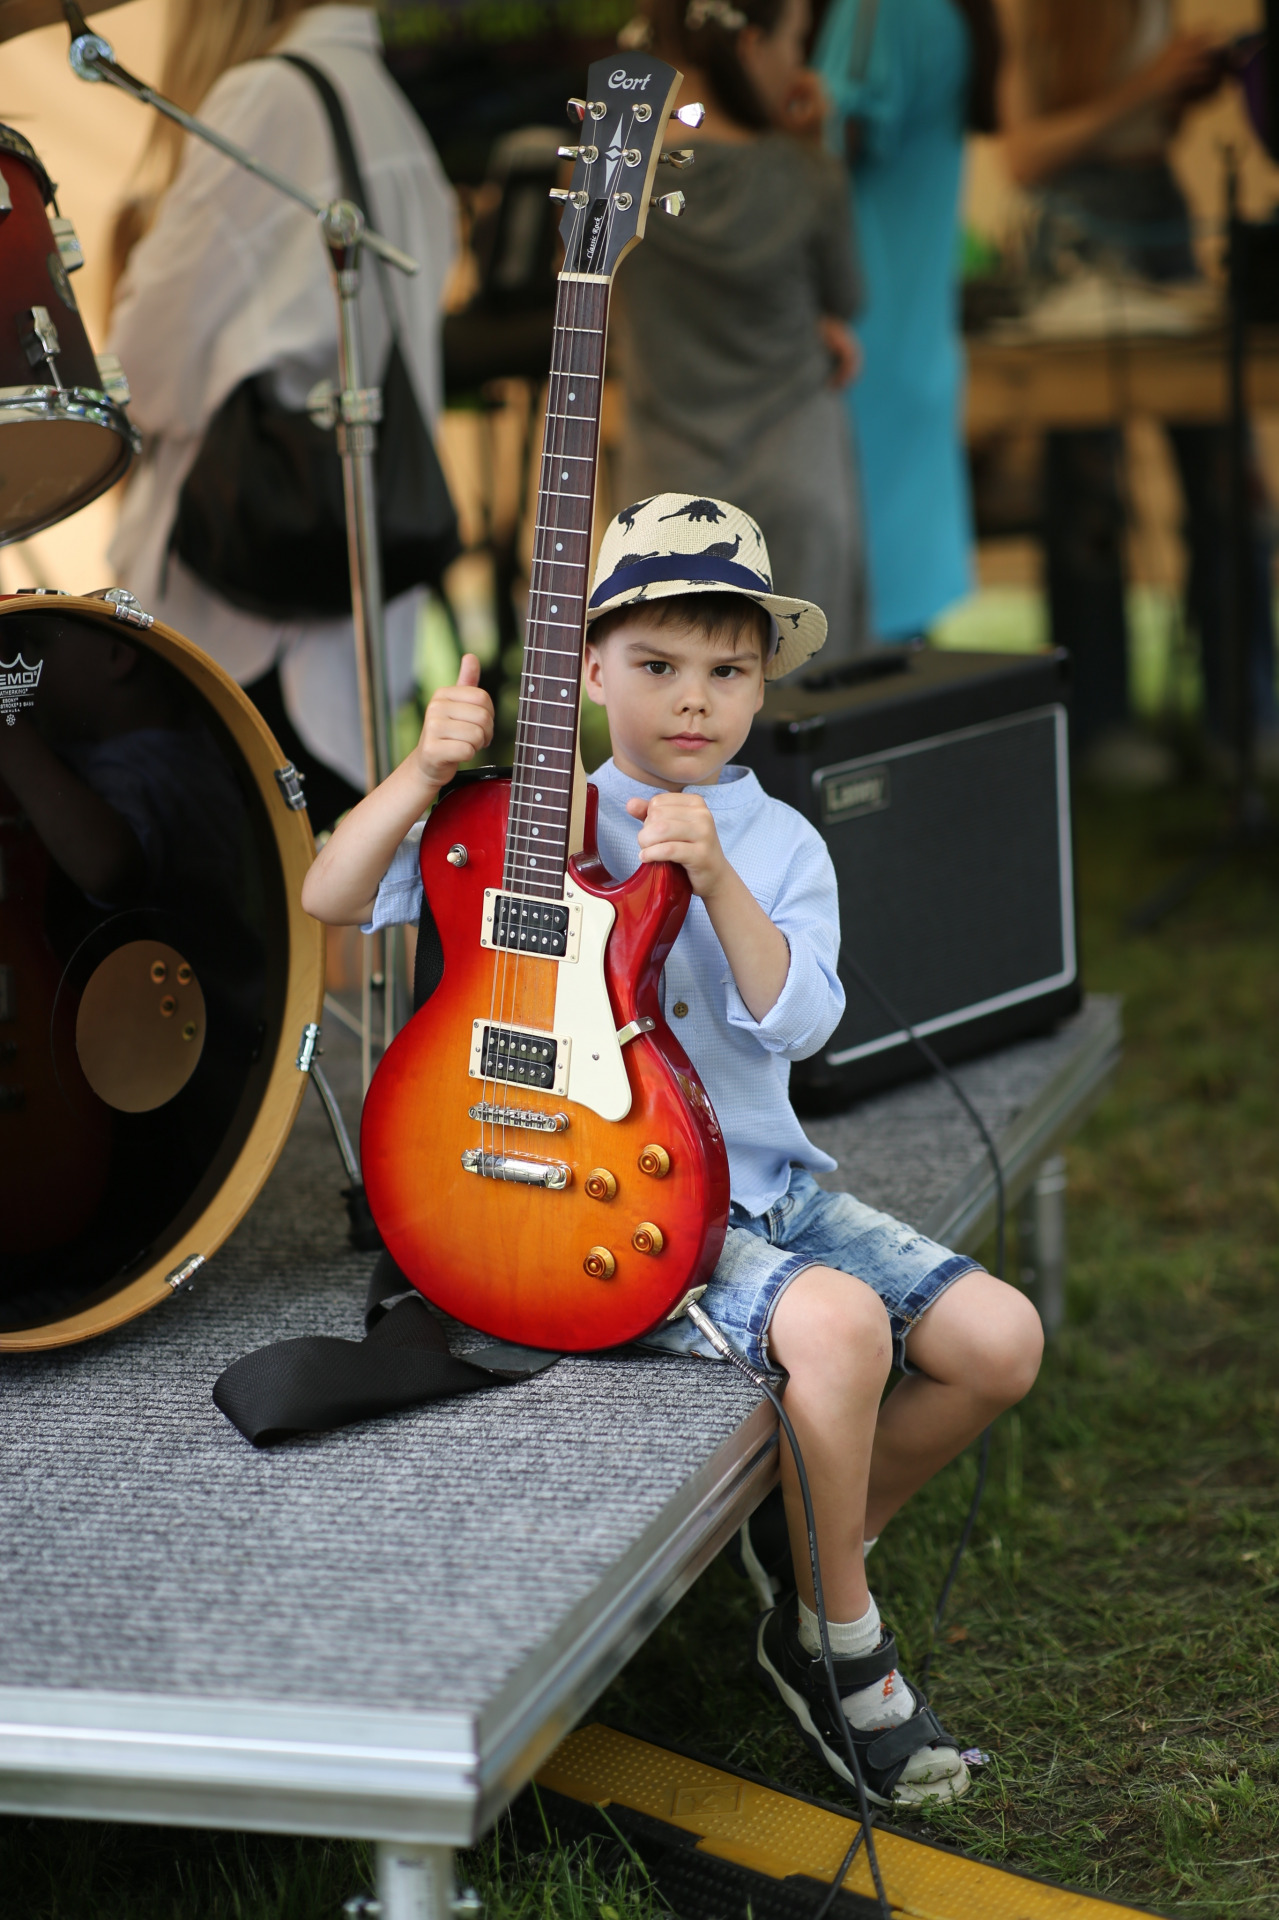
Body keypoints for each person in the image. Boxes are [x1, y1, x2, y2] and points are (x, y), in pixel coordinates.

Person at [301, 493, 1044, 1806]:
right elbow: (329, 894)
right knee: (842, 1335)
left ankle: (819, 1546)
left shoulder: (774, 840)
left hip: (762, 1187)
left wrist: (715, 881)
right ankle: (836, 1639)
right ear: (586, 668)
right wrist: (421, 773)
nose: (688, 701)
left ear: (761, 684)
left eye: (724, 671)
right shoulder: (518, 827)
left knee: (999, 1342)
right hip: (622, 1207)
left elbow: (802, 1017)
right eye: (653, 666)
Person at [108, 0, 456, 830]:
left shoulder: (267, 100)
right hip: (347, 604)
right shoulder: (381, 100)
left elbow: (142, 367)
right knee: (322, 896)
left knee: (220, 911)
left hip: (247, 617)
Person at [999, 0, 1277, 780]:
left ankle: (1245, 710)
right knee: (1088, 498)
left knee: (1229, 480)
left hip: (1163, 216)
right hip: (1077, 241)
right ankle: (1098, 724)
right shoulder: (1039, 20)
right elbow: (1022, 154)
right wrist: (1145, 86)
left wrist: (1180, 95)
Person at [614, 0, 867, 664]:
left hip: (664, 493)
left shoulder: (613, 180)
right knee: (807, 730)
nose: (799, 64)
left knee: (676, 730)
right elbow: (847, 296)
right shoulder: (803, 173)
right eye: (794, 42)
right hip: (796, 480)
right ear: (751, 44)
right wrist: (810, 144)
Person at [812, 0, 1003, 643]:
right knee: (893, 639)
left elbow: (824, 151)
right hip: (906, 346)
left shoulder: (884, 8)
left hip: (860, 358)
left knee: (861, 646)